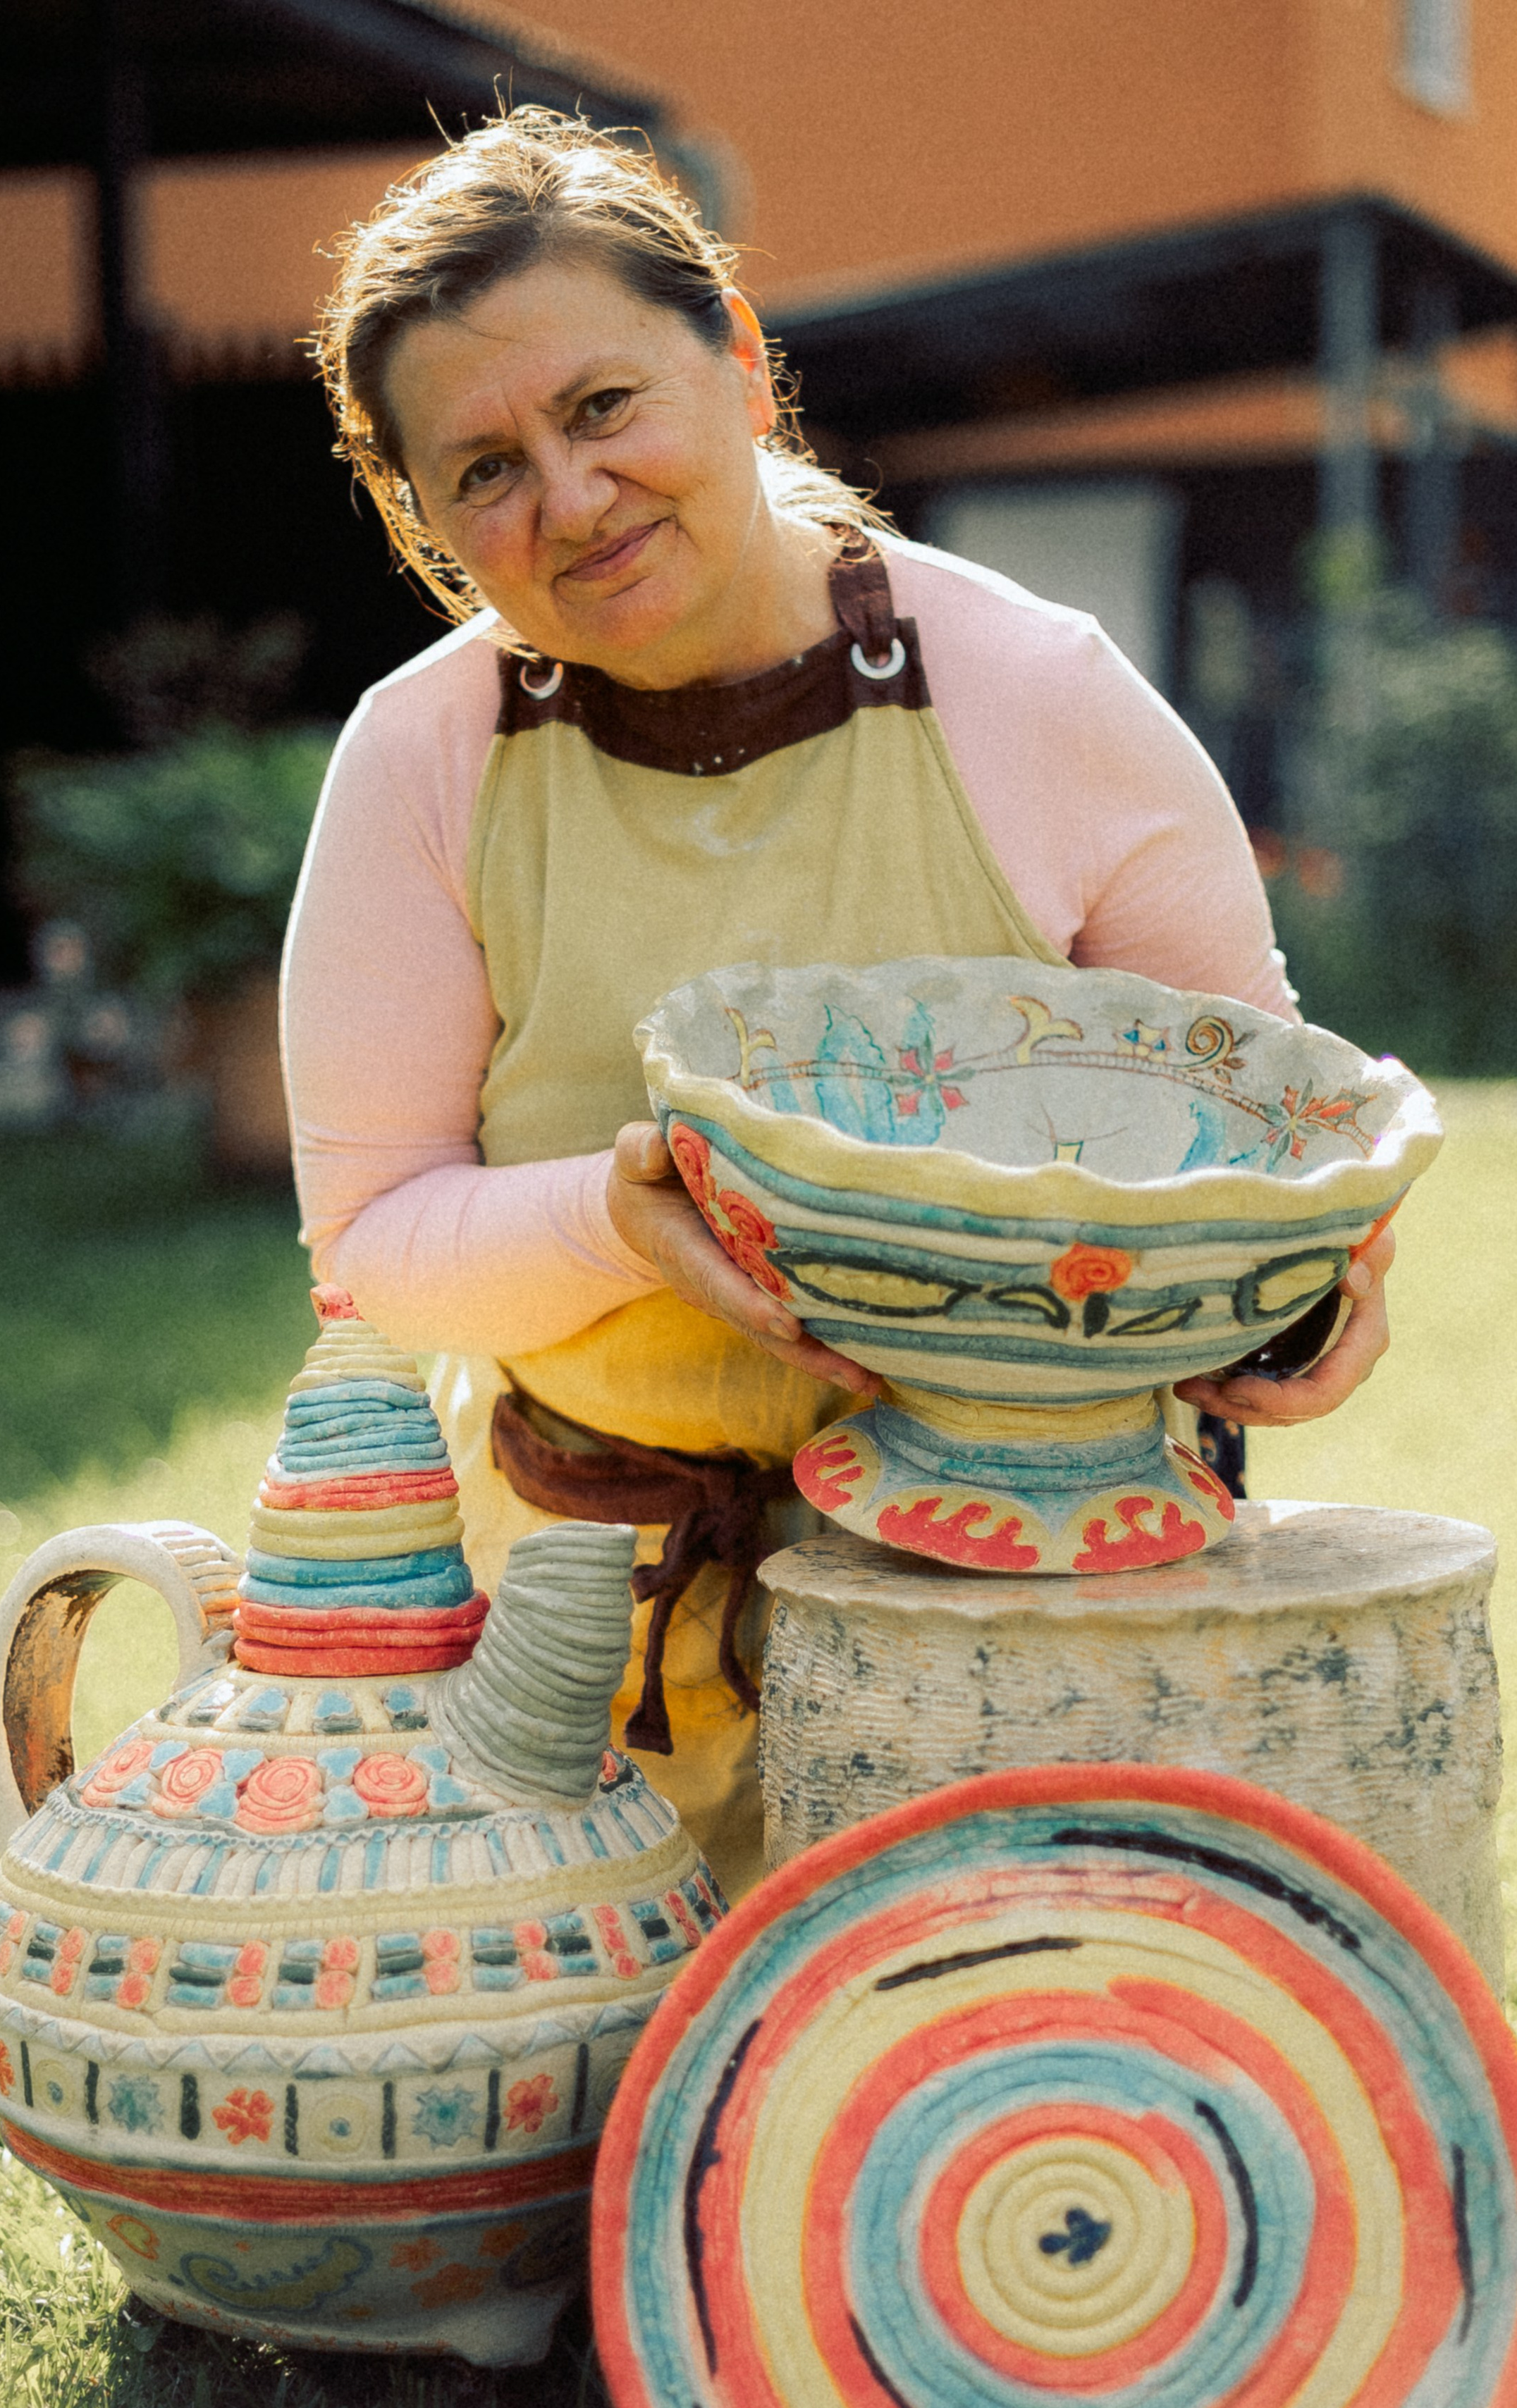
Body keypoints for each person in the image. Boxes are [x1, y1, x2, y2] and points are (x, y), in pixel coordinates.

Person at [283, 110, 1393, 1898]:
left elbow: (1256, 1129)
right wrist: (621, 1220)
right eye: (480, 471)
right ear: (421, 520)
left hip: (1040, 1616)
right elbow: (376, 1238)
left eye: (600, 408)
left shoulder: (1041, 696)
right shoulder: (420, 759)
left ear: (732, 352)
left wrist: (1304, 1291)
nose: (567, 501)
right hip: (601, 1635)